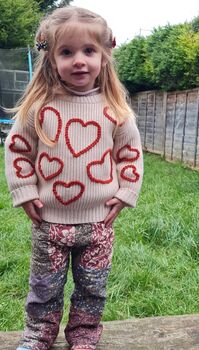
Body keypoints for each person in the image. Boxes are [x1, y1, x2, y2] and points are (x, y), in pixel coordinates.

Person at [4, 6, 143, 350]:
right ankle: (38, 333)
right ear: (51, 58)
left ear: (105, 56)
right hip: (49, 223)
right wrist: (23, 190)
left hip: (99, 225)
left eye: (88, 51)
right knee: (45, 285)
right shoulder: (38, 108)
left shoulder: (116, 111)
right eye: (66, 52)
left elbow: (130, 155)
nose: (78, 60)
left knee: (92, 287)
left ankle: (84, 334)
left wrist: (126, 192)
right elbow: (18, 149)